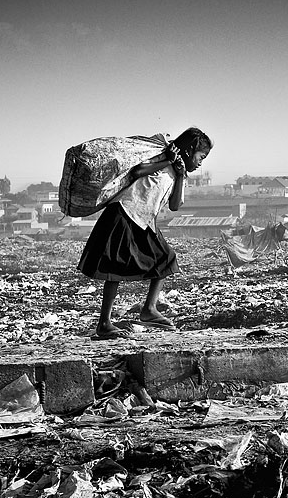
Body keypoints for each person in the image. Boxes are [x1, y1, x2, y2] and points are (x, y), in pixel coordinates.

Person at [78, 127, 212, 339]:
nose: (201, 163)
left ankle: (149, 309)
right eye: (201, 157)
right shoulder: (162, 155)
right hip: (124, 211)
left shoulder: (179, 173)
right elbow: (137, 172)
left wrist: (178, 175)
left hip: (145, 220)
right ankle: (104, 323)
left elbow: (175, 205)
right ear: (189, 150)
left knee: (166, 259)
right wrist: (167, 160)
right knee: (114, 268)